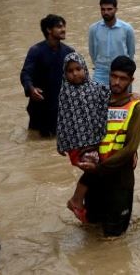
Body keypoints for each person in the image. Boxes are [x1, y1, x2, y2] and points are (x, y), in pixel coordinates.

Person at [78, 56, 140, 236]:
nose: (116, 82)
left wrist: (98, 168)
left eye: (123, 78)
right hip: (95, 178)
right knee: (91, 230)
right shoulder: (97, 102)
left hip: (119, 180)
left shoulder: (136, 108)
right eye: (114, 76)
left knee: (114, 237)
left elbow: (130, 148)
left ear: (131, 81)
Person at [56, 52, 109, 223]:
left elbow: (112, 98)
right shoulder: (65, 94)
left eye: (78, 69)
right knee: (94, 169)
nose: (75, 73)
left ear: (85, 68)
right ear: (65, 74)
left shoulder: (95, 87)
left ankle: (90, 215)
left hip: (95, 142)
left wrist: (134, 96)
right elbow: (62, 120)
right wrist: (61, 144)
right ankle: (76, 200)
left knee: (100, 175)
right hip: (77, 145)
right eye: (70, 71)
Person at [21, 14, 74, 136]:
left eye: (64, 26)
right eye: (59, 27)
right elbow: (26, 73)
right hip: (40, 105)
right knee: (36, 140)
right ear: (49, 30)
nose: (63, 29)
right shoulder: (36, 51)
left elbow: (76, 77)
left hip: (61, 106)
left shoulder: (69, 52)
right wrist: (31, 89)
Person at [88, 0, 135, 86]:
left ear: (116, 9)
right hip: (100, 72)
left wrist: (127, 70)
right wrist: (98, 65)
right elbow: (92, 52)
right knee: (97, 99)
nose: (106, 12)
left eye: (109, 9)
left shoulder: (127, 29)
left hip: (122, 72)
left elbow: (131, 52)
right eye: (103, 9)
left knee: (123, 99)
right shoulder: (94, 29)